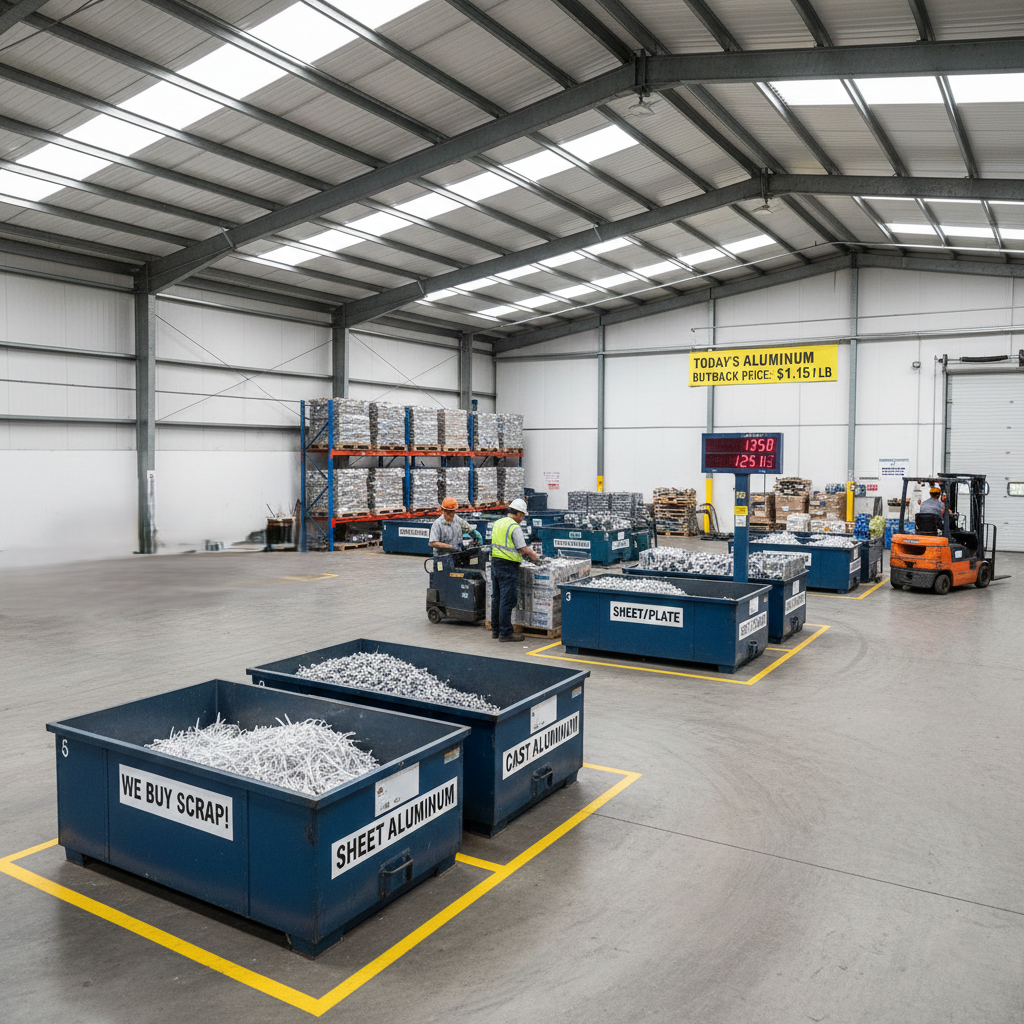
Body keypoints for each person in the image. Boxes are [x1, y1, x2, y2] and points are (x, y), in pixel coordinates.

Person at [490, 497, 541, 642]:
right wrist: (536, 558)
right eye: (523, 515)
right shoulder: (514, 527)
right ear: (518, 513)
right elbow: (523, 549)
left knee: (497, 598)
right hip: (508, 566)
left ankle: (496, 630)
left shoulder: (498, 523)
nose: (523, 518)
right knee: (507, 599)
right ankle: (505, 633)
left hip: (495, 563)